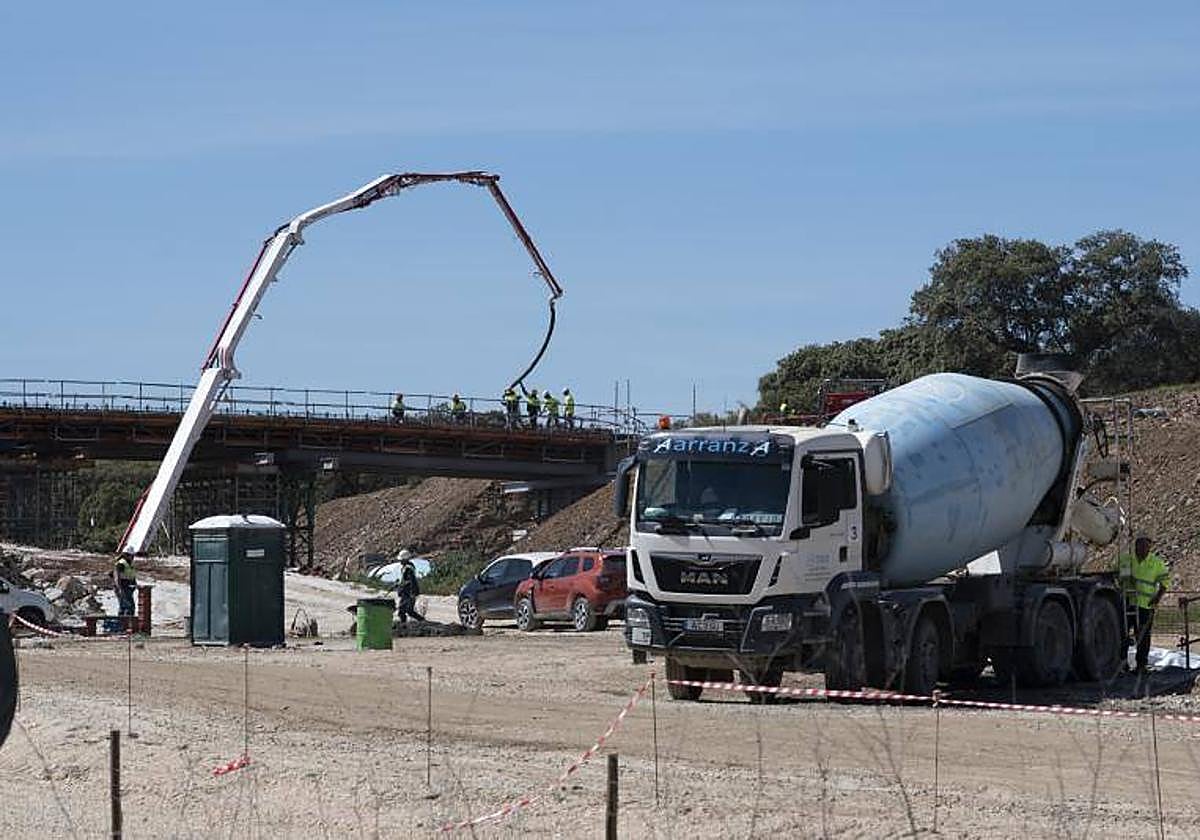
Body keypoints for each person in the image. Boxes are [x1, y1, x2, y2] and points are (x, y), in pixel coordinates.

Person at [1118, 532, 1170, 691]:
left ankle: (1141, 665)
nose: (1142, 549)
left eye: (1146, 546)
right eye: (1139, 545)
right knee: (1123, 634)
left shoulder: (1156, 563)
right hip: (1128, 603)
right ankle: (1122, 664)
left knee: (1143, 636)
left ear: (1150, 547)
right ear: (1135, 546)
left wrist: (1157, 598)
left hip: (1145, 606)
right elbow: (1117, 576)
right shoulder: (1127, 560)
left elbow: (1164, 583)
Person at [394, 551, 423, 625]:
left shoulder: (408, 569)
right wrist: (398, 584)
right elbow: (405, 580)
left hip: (408, 593)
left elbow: (412, 581)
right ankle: (422, 621)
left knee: (402, 611)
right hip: (407, 592)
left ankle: (403, 625)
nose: (400, 561)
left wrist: (412, 592)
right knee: (409, 611)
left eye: (401, 560)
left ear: (405, 559)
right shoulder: (407, 567)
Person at [113, 553, 137, 623]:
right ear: (126, 555)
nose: (133, 557)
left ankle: (123, 623)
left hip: (128, 586)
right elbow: (117, 577)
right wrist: (119, 588)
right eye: (131, 555)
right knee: (128, 606)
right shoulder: (121, 564)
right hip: (123, 586)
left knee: (124, 605)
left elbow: (131, 575)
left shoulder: (129, 564)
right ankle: (126, 623)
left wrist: (134, 584)